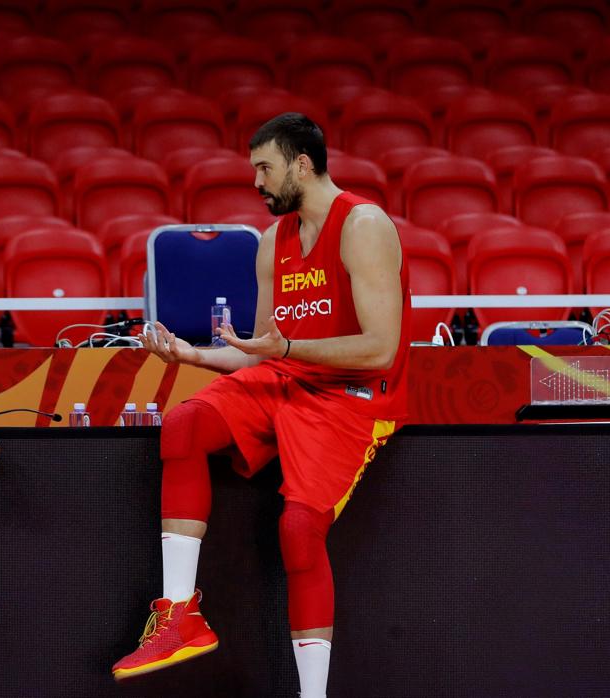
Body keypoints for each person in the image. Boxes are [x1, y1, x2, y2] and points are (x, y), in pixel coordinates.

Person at [111, 113, 411, 697]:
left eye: (264, 167)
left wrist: (290, 349)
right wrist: (189, 355)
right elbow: (261, 357)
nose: (256, 181)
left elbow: (380, 349)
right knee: (184, 425)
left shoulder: (364, 224)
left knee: (298, 530)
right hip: (287, 381)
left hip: (353, 397)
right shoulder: (273, 241)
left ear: (302, 163)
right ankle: (179, 616)